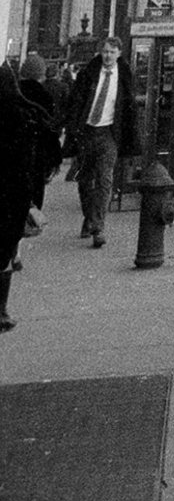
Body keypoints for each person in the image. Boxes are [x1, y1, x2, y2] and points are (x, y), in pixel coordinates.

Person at [64, 34, 139, 246]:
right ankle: (89, 217)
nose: (108, 56)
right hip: (87, 131)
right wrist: (73, 128)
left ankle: (98, 227)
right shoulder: (88, 74)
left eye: (112, 52)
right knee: (85, 180)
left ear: (119, 54)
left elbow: (129, 107)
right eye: (105, 51)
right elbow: (75, 102)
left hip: (109, 133)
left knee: (105, 180)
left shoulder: (124, 77)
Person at [1, 65, 60, 333]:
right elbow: (45, 157)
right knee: (6, 253)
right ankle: (1, 311)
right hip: (14, 198)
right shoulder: (27, 115)